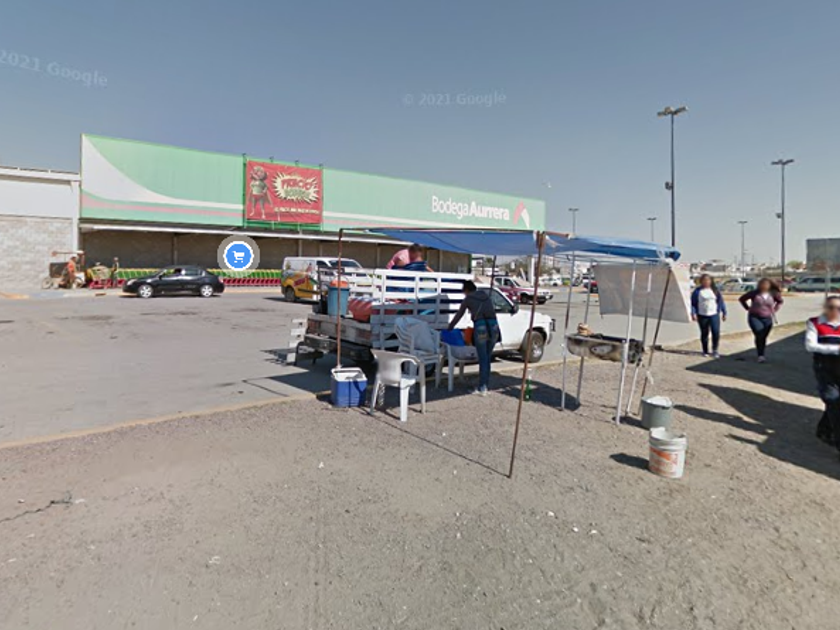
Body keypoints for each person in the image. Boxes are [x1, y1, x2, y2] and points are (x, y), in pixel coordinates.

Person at [448, 280, 499, 396]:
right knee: (487, 357)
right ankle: (485, 384)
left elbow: (459, 314)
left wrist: (450, 327)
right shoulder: (485, 295)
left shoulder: (468, 299)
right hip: (494, 326)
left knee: (483, 358)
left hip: (481, 326)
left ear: (466, 290)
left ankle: (482, 387)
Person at [805, 295, 840, 454]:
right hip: (824, 367)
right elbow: (810, 346)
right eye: (831, 307)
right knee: (833, 400)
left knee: (835, 404)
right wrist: (836, 349)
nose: (835, 311)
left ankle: (824, 429)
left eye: (839, 308)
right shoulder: (814, 322)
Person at [739, 278, 783, 363]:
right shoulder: (754, 293)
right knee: (759, 334)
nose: (764, 286)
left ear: (769, 286)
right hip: (754, 317)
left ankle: (761, 351)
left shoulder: (773, 294)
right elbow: (742, 299)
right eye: (762, 285)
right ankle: (760, 355)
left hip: (767, 318)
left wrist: (775, 309)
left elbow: (780, 301)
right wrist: (747, 308)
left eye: (766, 285)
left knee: (763, 337)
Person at [691, 274, 727, 358]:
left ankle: (715, 350)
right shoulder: (697, 291)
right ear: (701, 281)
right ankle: (705, 350)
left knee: (716, 332)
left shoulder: (715, 290)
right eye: (704, 280)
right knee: (704, 333)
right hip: (702, 315)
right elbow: (693, 303)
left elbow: (720, 302)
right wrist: (693, 313)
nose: (706, 282)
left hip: (714, 314)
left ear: (711, 281)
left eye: (708, 280)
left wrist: (724, 312)